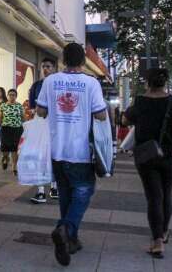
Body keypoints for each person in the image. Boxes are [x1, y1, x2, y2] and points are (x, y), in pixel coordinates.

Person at [36, 43, 107, 266]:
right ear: (83, 61)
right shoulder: (91, 83)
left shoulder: (50, 80)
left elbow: (40, 111)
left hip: (57, 150)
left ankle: (71, 240)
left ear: (63, 60)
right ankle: (65, 229)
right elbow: (102, 116)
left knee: (66, 193)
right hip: (81, 151)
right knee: (84, 191)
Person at [122, 68, 172, 259]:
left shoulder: (140, 101)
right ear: (165, 83)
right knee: (166, 195)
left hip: (147, 156)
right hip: (171, 156)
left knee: (154, 196)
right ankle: (164, 232)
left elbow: (124, 119)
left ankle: (157, 241)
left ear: (148, 83)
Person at [28, 57, 58, 203]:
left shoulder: (59, 85)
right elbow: (33, 109)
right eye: (43, 66)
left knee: (54, 157)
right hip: (40, 125)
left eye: (48, 66)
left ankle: (54, 187)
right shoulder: (36, 86)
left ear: (54, 68)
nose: (45, 69)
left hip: (56, 128)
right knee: (40, 158)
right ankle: (40, 191)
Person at [0, 89, 26, 176]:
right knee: (5, 149)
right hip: (5, 130)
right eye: (10, 95)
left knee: (15, 149)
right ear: (7, 96)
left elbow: (23, 119)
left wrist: (27, 130)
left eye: (13, 95)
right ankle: (5, 158)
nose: (12, 96)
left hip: (17, 130)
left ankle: (14, 167)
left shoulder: (19, 106)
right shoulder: (3, 106)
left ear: (16, 96)